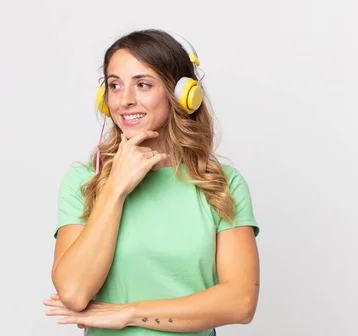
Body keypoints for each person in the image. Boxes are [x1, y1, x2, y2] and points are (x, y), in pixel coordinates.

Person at [43, 29, 261, 336]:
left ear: (182, 94)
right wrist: (115, 188)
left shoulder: (221, 183)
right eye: (114, 86)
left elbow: (240, 302)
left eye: (143, 84)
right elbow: (75, 293)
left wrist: (129, 314)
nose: (125, 100)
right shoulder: (83, 181)